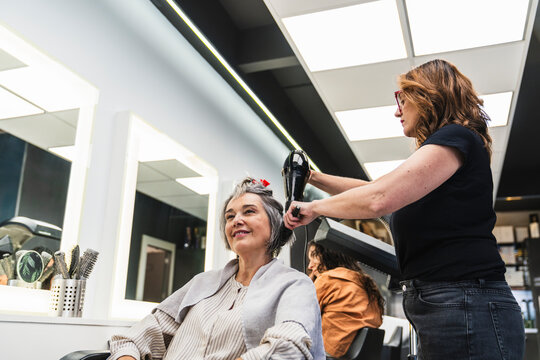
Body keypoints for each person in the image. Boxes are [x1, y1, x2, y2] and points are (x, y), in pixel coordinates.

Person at [284, 59, 525, 359]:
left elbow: (379, 198)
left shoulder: (457, 138)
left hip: (466, 304)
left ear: (428, 97)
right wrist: (314, 177)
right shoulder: (437, 165)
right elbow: (372, 191)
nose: (397, 110)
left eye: (402, 99)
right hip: (445, 305)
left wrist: (315, 207)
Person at [109, 177, 325, 360]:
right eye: (230, 216)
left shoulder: (294, 285)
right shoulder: (203, 282)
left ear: (275, 224)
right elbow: (140, 335)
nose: (236, 220)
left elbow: (291, 346)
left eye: (249, 212)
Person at [307, 240, 384, 358]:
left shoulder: (327, 279)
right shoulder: (366, 284)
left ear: (328, 255)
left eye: (314, 257)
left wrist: (308, 283)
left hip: (327, 354)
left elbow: (302, 316)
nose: (310, 266)